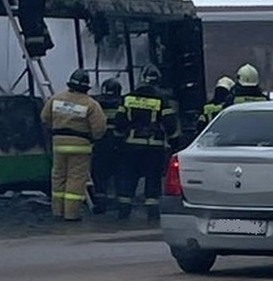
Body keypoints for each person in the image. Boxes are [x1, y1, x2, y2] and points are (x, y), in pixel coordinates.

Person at [114, 65, 180, 222]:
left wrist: (118, 142)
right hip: (153, 148)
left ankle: (123, 214)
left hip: (130, 147)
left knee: (128, 179)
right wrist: (173, 142)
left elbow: (119, 123)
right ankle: (152, 215)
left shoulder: (128, 98)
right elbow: (170, 125)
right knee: (153, 179)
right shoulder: (161, 101)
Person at [40, 69, 107, 221]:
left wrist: (56, 129)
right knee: (75, 180)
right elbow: (99, 128)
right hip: (80, 147)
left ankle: (57, 212)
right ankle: (71, 215)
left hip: (58, 144)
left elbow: (45, 118)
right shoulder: (91, 104)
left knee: (58, 178)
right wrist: (93, 138)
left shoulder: (56, 98)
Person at [90, 78, 125, 214]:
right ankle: (120, 204)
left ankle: (100, 204)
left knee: (99, 175)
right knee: (119, 175)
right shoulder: (123, 103)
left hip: (100, 143)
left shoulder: (97, 103)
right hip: (119, 144)